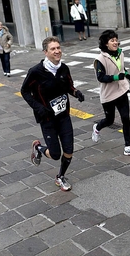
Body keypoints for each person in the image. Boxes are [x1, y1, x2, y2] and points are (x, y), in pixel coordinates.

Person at [21, 36, 85, 192]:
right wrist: (38, 107)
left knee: (69, 151)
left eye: (58, 48)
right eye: (53, 49)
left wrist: (76, 93)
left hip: (63, 116)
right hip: (47, 119)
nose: (57, 51)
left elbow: (69, 86)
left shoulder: (64, 68)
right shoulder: (36, 72)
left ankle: (60, 177)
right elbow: (24, 91)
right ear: (45, 52)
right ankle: (38, 148)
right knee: (55, 154)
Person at [92, 30, 130, 157]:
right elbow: (100, 77)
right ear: (105, 43)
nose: (115, 42)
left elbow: (121, 68)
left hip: (122, 91)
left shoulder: (120, 53)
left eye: (116, 40)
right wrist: (116, 77)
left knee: (126, 118)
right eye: (112, 40)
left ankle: (128, 146)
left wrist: (127, 74)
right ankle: (97, 128)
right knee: (109, 120)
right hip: (108, 95)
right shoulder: (100, 59)